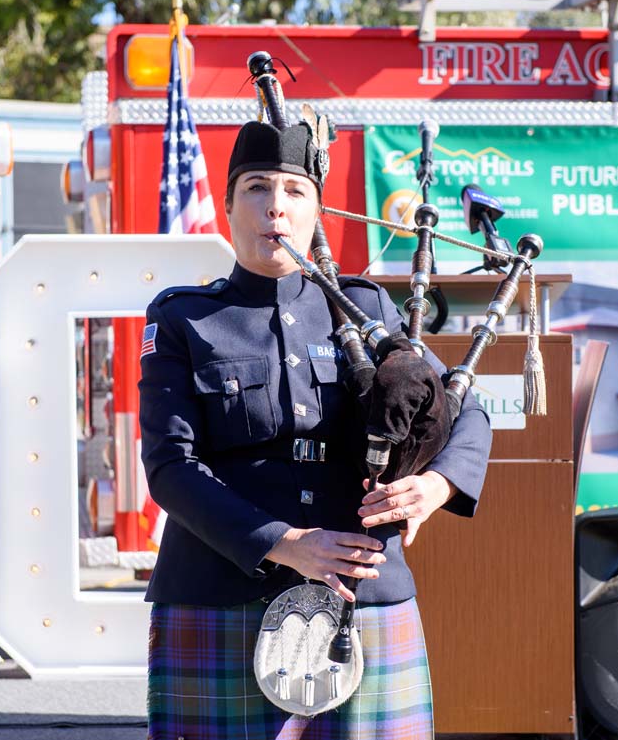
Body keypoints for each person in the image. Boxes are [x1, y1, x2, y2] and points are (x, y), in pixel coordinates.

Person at [138, 113, 492, 739]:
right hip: (219, 596)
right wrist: (283, 542)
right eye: (256, 188)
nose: (276, 207)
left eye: (295, 191)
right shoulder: (182, 320)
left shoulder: (370, 310)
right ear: (227, 208)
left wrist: (434, 487)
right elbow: (170, 467)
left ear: (317, 212)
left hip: (364, 598)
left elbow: (466, 411)